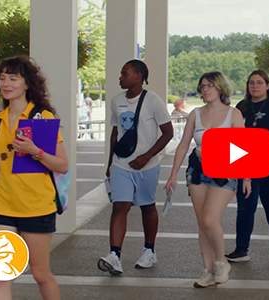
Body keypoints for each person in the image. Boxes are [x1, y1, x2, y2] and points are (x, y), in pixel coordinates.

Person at [0, 55, 69, 300]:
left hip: (36, 207)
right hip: (3, 206)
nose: (6, 84)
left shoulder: (42, 118)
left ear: (27, 84)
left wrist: (36, 151)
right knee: (1, 275)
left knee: (40, 274)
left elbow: (62, 165)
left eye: (13, 78)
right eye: (2, 78)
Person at [165, 71, 250, 288]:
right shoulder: (196, 114)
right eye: (202, 86)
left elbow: (242, 148)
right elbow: (184, 144)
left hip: (224, 171)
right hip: (198, 171)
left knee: (210, 220)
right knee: (202, 223)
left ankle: (221, 263)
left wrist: (246, 177)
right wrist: (173, 174)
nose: (205, 89)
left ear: (220, 87)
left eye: (210, 85)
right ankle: (208, 270)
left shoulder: (234, 114)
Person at [98, 59, 173, 275]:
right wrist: (110, 163)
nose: (120, 77)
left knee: (147, 206)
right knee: (120, 206)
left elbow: (168, 133)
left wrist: (147, 156)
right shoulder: (115, 101)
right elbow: (115, 133)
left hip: (147, 166)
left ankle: (149, 250)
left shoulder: (153, 101)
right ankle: (114, 255)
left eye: (124, 74)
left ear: (138, 76)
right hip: (122, 165)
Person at [225, 70, 269, 262]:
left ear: (267, 85)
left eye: (259, 82)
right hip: (247, 168)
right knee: (245, 208)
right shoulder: (242, 107)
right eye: (251, 83)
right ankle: (241, 248)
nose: (254, 86)